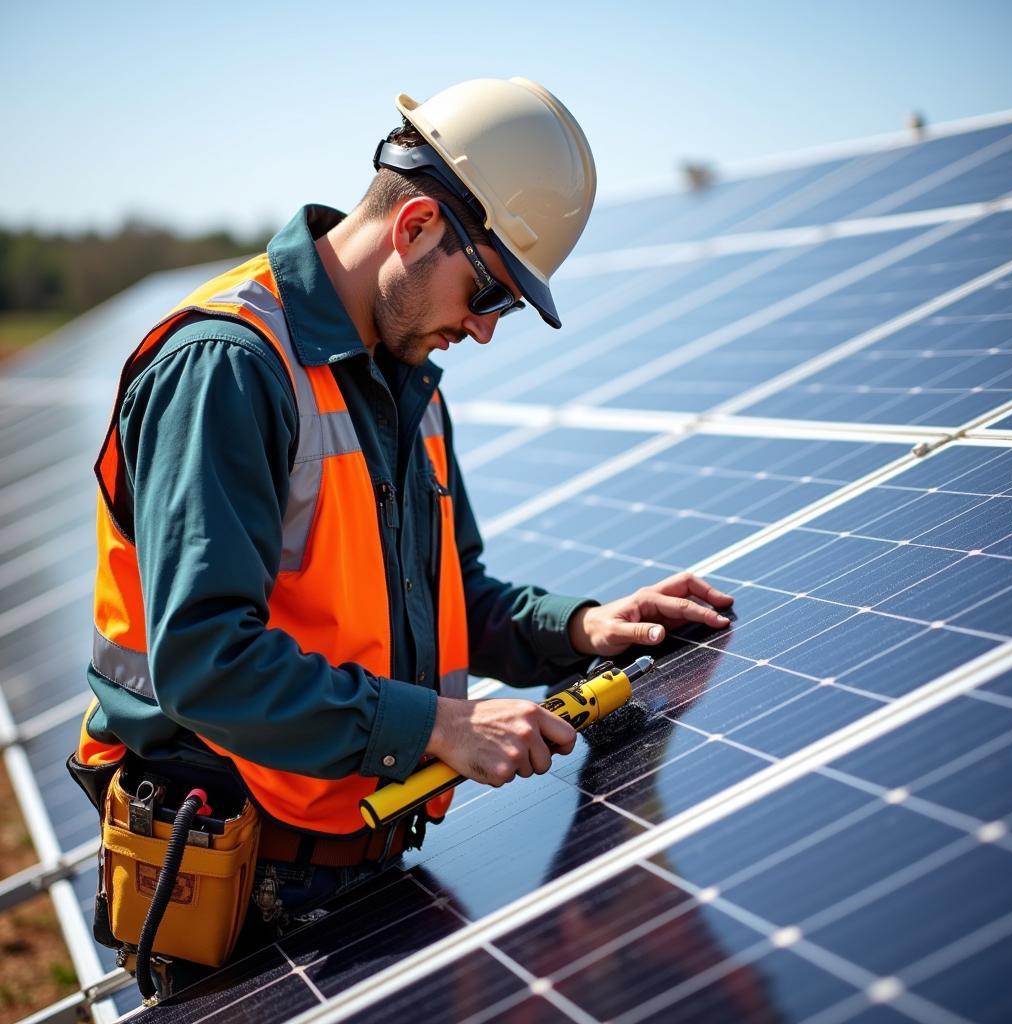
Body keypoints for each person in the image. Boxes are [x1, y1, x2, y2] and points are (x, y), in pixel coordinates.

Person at [71, 78, 734, 992]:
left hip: (358, 861)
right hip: (237, 888)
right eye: (489, 292)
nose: (484, 331)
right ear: (416, 225)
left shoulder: (407, 379)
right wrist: (440, 725)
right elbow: (206, 661)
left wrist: (580, 628)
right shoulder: (228, 368)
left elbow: (452, 596)